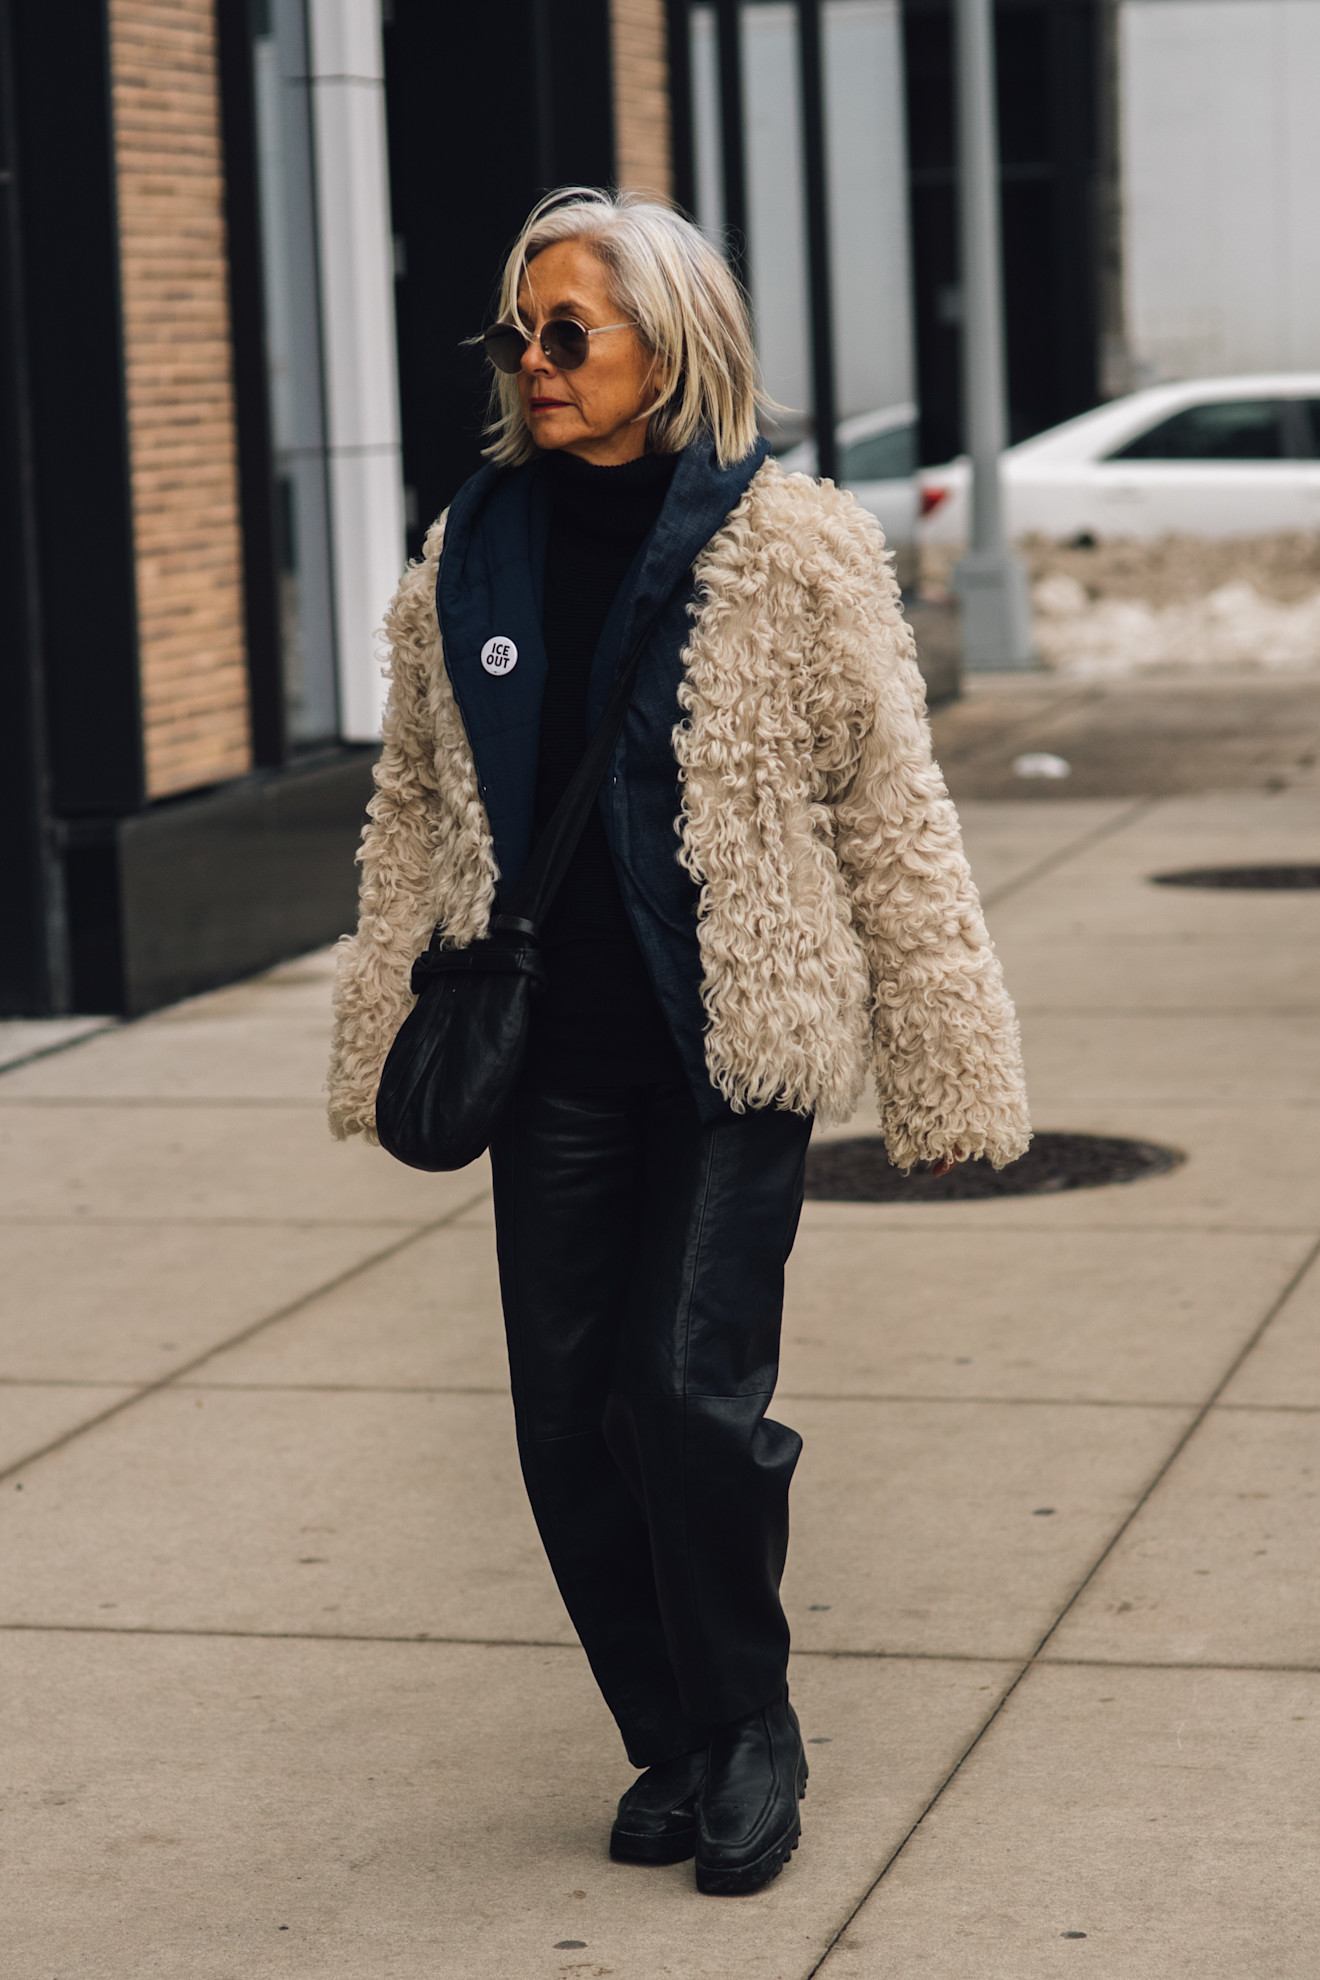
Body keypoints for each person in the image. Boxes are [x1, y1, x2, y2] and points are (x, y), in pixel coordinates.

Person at [328, 186, 1030, 1897]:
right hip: (549, 1063)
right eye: (520, 332)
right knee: (566, 1423)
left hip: (725, 1053)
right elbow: (415, 797)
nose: (537, 360)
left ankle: (749, 1724)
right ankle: (675, 1733)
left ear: (671, 345)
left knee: (684, 1399)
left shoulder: (792, 546)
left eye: (571, 330)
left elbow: (889, 806)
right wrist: (384, 1018)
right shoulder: (472, 545)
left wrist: (946, 1056)